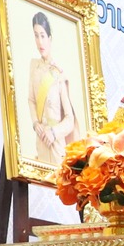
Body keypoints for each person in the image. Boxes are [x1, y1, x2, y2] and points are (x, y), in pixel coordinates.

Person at [28, 10, 77, 165]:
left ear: (49, 38)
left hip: (56, 146)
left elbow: (70, 120)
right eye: (36, 35)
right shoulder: (34, 67)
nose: (40, 42)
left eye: (42, 35)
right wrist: (36, 124)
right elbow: (31, 100)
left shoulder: (58, 73)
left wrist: (54, 133)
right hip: (41, 141)